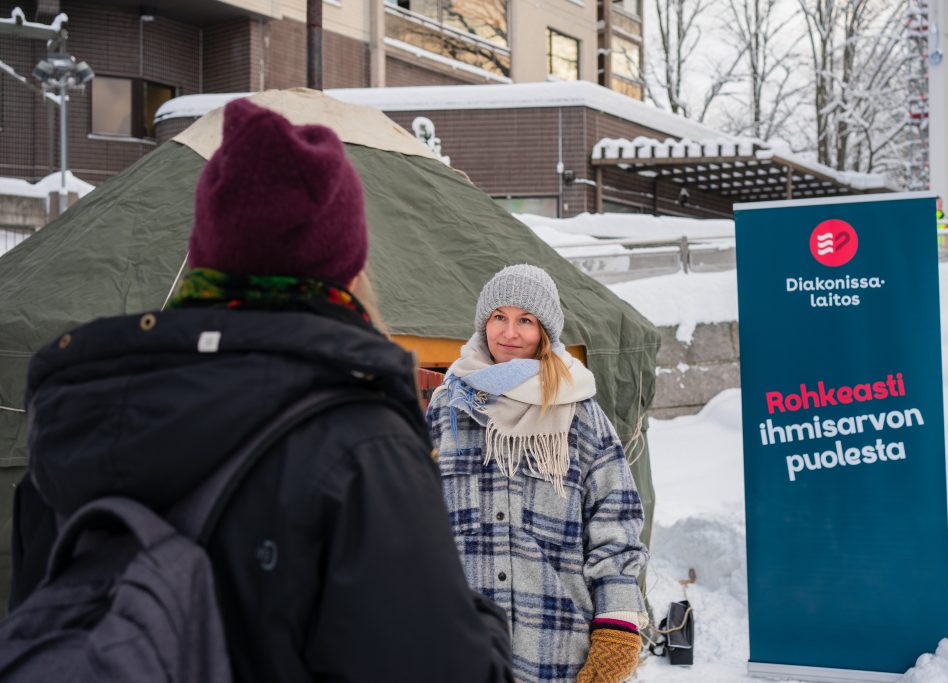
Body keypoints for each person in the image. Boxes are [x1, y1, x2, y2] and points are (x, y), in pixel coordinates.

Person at [9, 99, 515, 682]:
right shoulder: (362, 448)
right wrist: (482, 621)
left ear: (202, 254)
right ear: (347, 269)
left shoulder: (78, 416)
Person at [426, 265, 649, 683]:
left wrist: (618, 631)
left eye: (525, 320)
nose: (509, 333)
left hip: (556, 652)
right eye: (499, 317)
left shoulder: (580, 413)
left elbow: (615, 526)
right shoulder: (447, 408)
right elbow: (415, 523)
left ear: (545, 332)